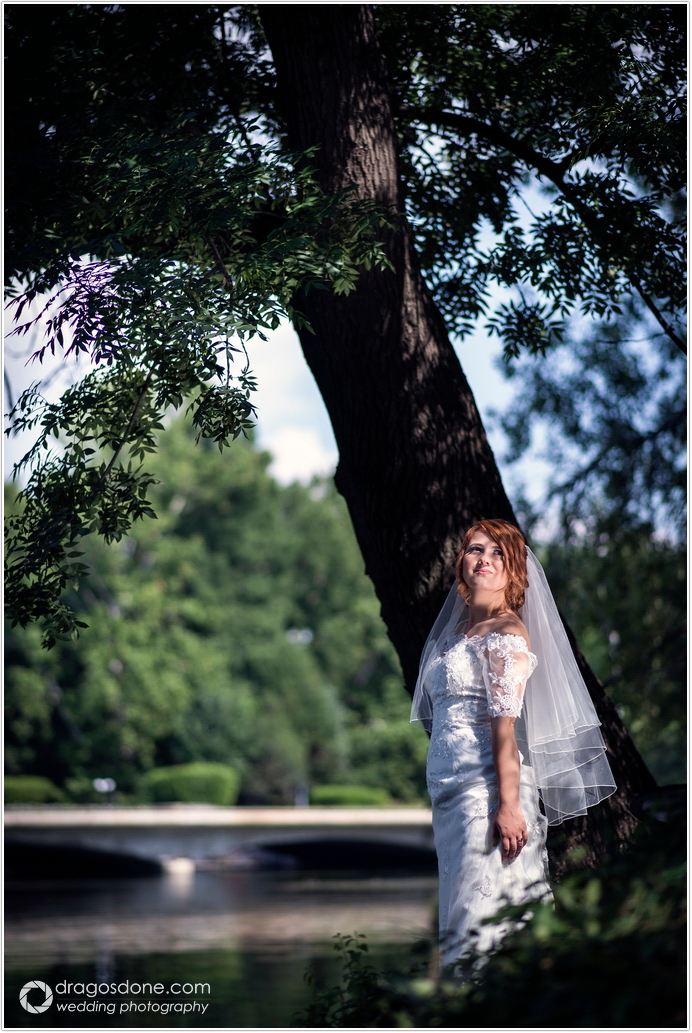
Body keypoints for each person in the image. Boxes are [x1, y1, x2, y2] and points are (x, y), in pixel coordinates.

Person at [411, 519, 616, 978]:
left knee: (481, 913)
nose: (484, 559)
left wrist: (507, 806)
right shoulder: (457, 633)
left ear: (514, 569)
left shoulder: (506, 634)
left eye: (497, 553)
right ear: (461, 563)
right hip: (449, 795)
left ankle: (485, 999)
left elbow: (504, 729)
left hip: (486, 793)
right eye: (475, 550)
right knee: (459, 908)